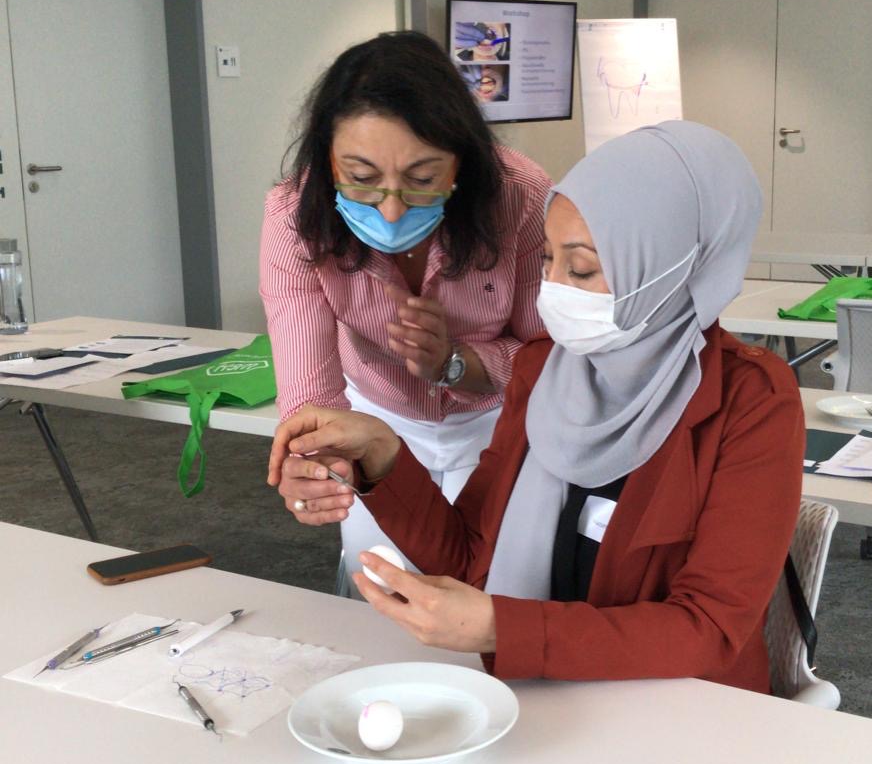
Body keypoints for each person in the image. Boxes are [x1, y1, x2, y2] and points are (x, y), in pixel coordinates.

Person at [267, 121, 805, 692]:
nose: (554, 291)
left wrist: (503, 628)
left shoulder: (750, 400)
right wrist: (383, 453)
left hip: (682, 710)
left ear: (672, 265)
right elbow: (472, 556)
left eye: (581, 269)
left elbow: (710, 628)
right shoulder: (545, 367)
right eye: (547, 261)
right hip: (542, 694)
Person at [260, 30, 551, 583]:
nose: (391, 211)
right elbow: (309, 385)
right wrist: (317, 463)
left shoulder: (520, 195)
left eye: (422, 179)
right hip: (376, 413)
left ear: (461, 161)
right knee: (382, 585)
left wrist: (456, 362)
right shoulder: (295, 214)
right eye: (362, 179)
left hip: (498, 418)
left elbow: (549, 359)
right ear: (327, 160)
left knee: (500, 584)